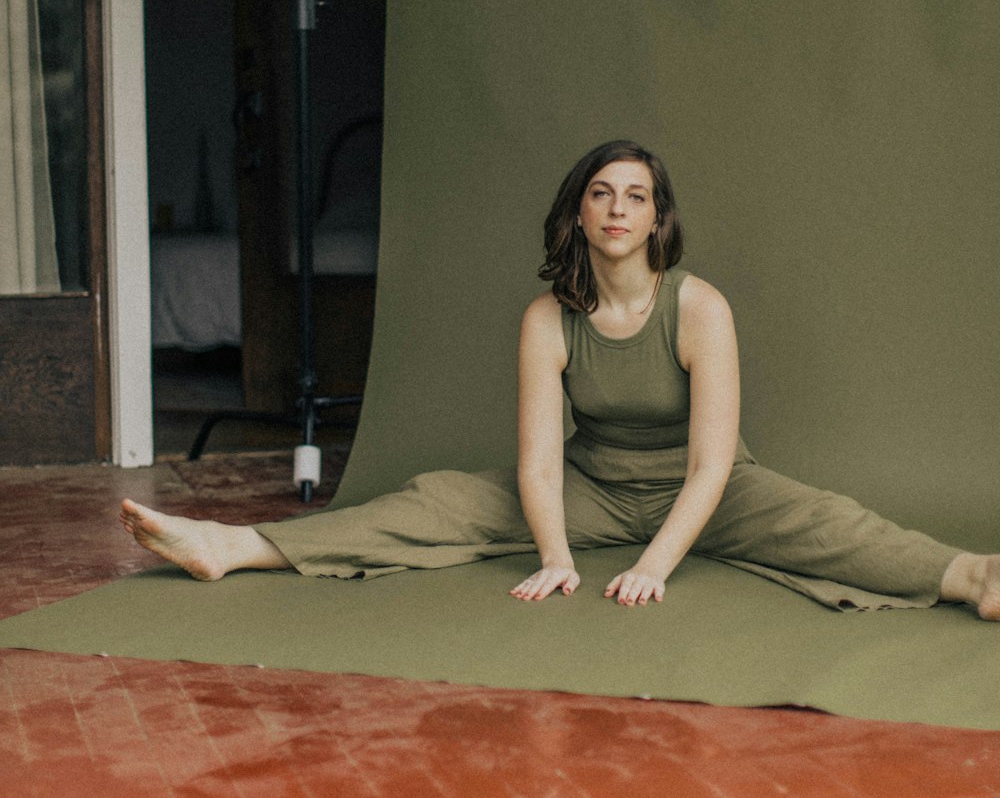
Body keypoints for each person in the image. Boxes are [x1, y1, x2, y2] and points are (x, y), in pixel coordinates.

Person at [120, 139, 1000, 618]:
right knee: (439, 502)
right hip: (590, 490)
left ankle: (974, 576)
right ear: (579, 210)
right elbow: (540, 466)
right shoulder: (549, 319)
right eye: (603, 193)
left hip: (712, 492)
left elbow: (711, 464)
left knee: (829, 524)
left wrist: (655, 567)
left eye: (637, 196)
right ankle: (234, 547)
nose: (619, 209)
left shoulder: (700, 309)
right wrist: (555, 555)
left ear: (659, 219)